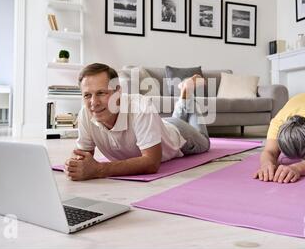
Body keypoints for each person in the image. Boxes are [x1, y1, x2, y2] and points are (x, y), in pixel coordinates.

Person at [65, 63, 210, 181]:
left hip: (179, 133)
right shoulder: (85, 113)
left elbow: (151, 163)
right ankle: (185, 96)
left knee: (204, 141)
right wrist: (76, 165)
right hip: (158, 125)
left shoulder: (141, 106)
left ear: (118, 91)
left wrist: (99, 169)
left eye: (101, 93)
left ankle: (187, 91)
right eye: (87, 95)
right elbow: (84, 157)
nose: (94, 103)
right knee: (176, 118)